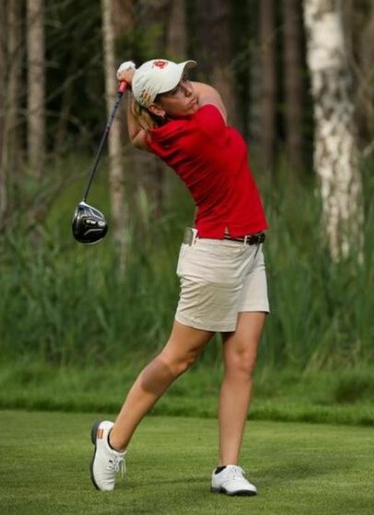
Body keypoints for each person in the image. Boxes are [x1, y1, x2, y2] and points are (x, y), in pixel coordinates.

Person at [89, 58, 269, 497]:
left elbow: (135, 136)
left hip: (249, 250)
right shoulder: (199, 128)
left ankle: (228, 468)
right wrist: (138, 86)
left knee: (242, 360)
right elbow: (214, 96)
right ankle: (112, 443)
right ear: (159, 108)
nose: (189, 89)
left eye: (185, 79)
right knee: (177, 359)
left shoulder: (162, 132)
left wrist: (137, 88)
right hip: (216, 256)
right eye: (176, 89)